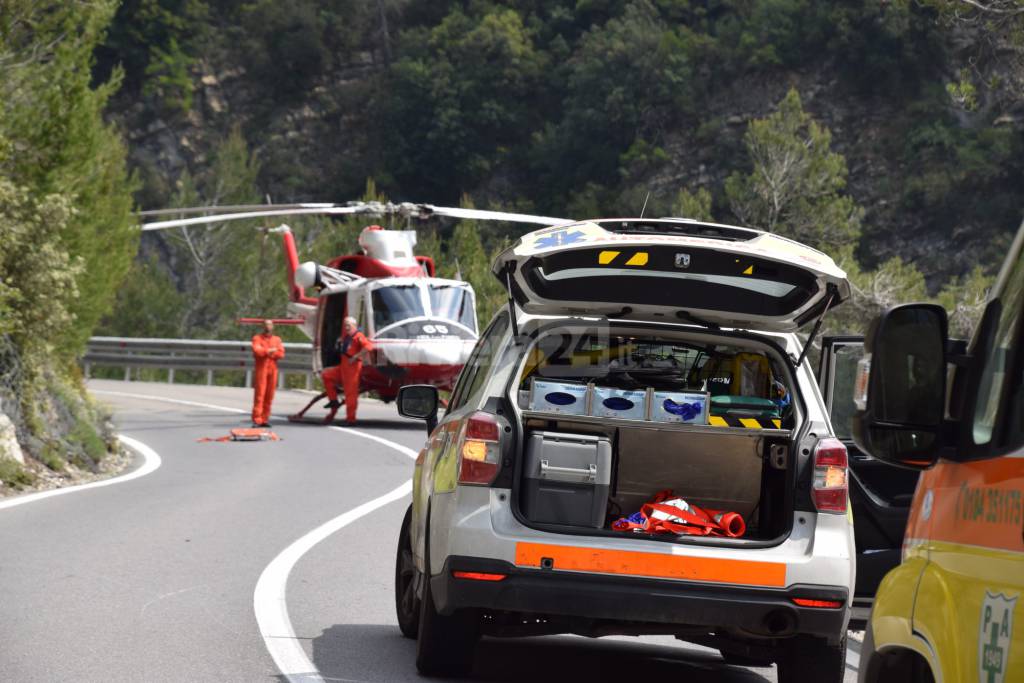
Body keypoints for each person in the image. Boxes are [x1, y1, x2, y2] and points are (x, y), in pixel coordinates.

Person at [321, 316, 374, 424]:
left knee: (350, 394)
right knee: (326, 376)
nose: (346, 327)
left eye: (348, 325)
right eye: (345, 325)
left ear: (354, 325)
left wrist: (356, 356)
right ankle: (333, 401)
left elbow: (369, 347)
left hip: (352, 368)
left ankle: (350, 419)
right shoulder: (347, 337)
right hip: (343, 367)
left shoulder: (358, 336)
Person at [251, 319, 285, 427]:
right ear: (263, 326)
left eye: (270, 324)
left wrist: (267, 352)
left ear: (273, 326)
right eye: (266, 324)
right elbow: (257, 351)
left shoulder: (277, 339)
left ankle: (265, 419)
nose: (268, 327)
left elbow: (281, 354)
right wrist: (269, 351)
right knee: (260, 395)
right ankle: (257, 419)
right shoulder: (257, 338)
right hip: (262, 369)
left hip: (273, 369)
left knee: (269, 395)